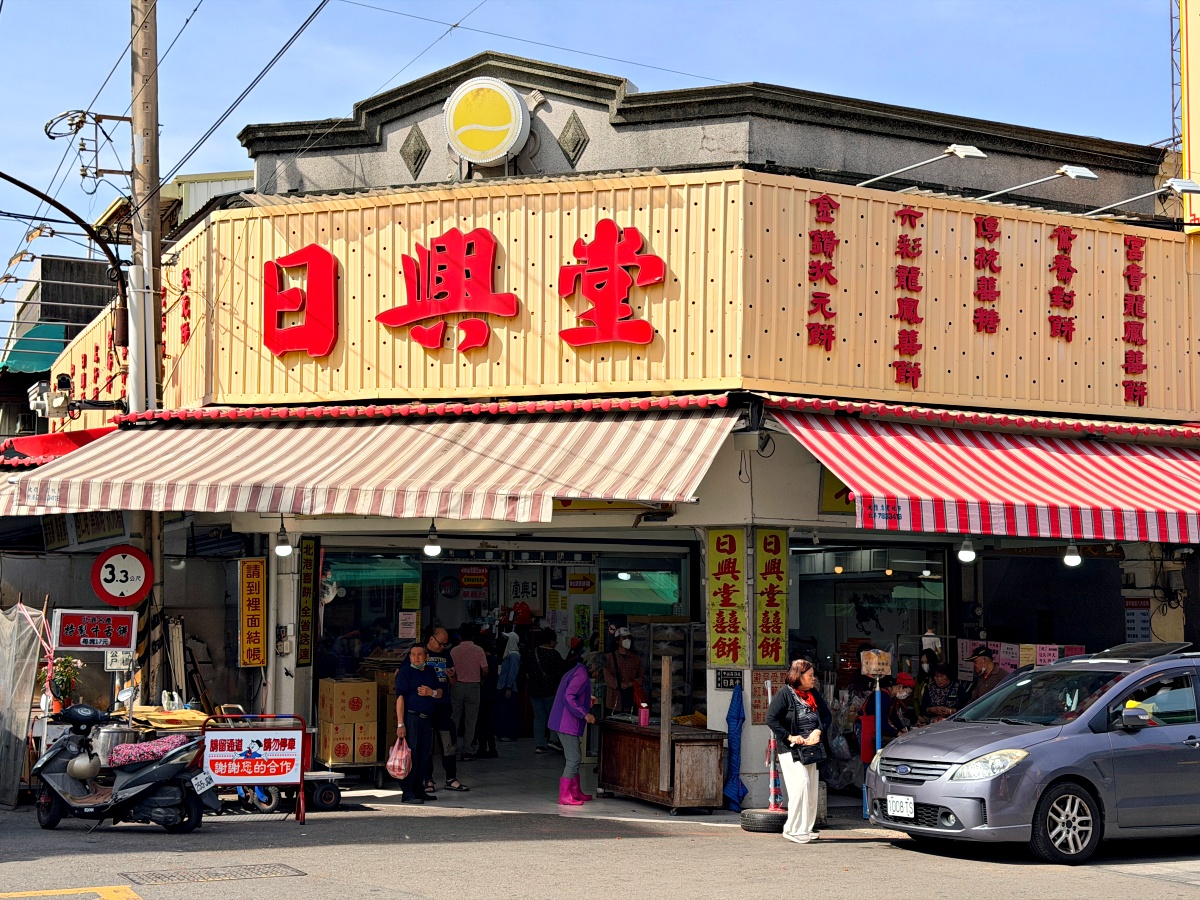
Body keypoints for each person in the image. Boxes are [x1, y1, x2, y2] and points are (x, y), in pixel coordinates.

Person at [765, 659, 832, 844]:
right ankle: (792, 828)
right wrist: (790, 737)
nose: (813, 679)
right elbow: (771, 719)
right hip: (791, 750)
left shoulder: (812, 693)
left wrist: (818, 730)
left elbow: (826, 716)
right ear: (798, 676)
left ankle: (806, 828)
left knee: (811, 788)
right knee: (800, 785)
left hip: (811, 748)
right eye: (809, 676)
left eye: (813, 676)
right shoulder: (785, 694)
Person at [548, 652, 602, 806]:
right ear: (593, 666)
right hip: (566, 722)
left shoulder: (576, 671)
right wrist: (585, 714)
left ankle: (575, 791)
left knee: (575, 758)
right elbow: (569, 697)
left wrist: (586, 702)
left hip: (564, 720)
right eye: (599, 670)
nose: (598, 674)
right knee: (573, 759)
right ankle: (564, 795)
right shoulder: (582, 675)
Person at [394, 644, 444, 804]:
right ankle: (407, 792)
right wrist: (400, 724)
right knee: (411, 754)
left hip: (426, 718)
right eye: (413, 654)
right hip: (411, 718)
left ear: (426, 657)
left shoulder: (430, 671)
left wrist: (432, 693)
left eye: (419, 654)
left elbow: (440, 692)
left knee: (424, 755)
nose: (416, 657)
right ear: (409, 657)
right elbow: (400, 698)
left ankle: (419, 790)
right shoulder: (405, 673)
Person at [424, 627, 467, 793]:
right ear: (432, 639)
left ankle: (451, 778)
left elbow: (454, 680)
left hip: (443, 705)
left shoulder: (446, 655)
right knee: (426, 745)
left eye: (445, 644)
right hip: (426, 707)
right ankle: (428, 780)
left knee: (448, 743)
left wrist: (451, 676)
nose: (443, 647)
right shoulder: (420, 652)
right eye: (441, 643)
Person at [450, 622, 488, 760]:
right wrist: (481, 680)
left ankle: (452, 748)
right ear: (473, 636)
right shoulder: (478, 650)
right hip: (473, 687)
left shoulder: (453, 651)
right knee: (471, 721)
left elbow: (450, 670)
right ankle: (467, 749)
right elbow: (485, 670)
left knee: (455, 718)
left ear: (459, 636)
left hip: (457, 686)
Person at [524, 628, 566, 754]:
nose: (556, 643)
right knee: (554, 715)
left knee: (538, 717)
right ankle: (553, 740)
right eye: (555, 641)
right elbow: (561, 674)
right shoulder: (555, 655)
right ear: (550, 641)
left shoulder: (532, 653)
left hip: (534, 691)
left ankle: (539, 745)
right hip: (550, 691)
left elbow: (527, 674)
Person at [603, 626, 644, 713]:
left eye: (628, 638)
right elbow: (608, 677)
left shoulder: (636, 659)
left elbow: (641, 678)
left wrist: (630, 684)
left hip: (631, 702)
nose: (627, 640)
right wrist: (620, 685)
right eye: (624, 638)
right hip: (613, 702)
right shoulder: (608, 658)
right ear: (617, 640)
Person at [475, 632, 500, 759]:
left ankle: (482, 748)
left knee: (480, 722)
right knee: (489, 722)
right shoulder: (494, 659)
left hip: (481, 694)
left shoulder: (483, 661)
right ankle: (492, 748)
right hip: (491, 693)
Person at [495, 631, 521, 742]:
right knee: (503, 711)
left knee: (508, 712)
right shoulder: (508, 654)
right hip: (503, 686)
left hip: (507, 687)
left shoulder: (514, 655)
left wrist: (509, 687)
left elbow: (513, 672)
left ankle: (510, 734)